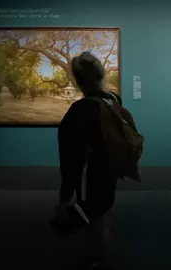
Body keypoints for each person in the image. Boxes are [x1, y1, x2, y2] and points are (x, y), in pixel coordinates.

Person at [54, 51, 122, 269]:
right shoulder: (113, 99)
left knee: (95, 228)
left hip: (90, 177)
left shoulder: (79, 111)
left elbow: (71, 158)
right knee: (100, 221)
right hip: (110, 172)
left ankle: (98, 263)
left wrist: (65, 195)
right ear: (101, 74)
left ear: (77, 79)